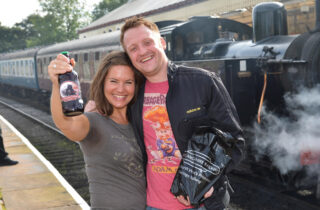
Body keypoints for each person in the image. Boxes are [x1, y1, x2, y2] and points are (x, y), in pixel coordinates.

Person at [120, 17, 245, 210]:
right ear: (129, 56)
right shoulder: (133, 94)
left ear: (162, 42)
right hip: (152, 205)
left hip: (202, 204)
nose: (142, 51)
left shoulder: (203, 82)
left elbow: (234, 141)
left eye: (147, 42)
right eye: (133, 48)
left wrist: (209, 181)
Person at [48, 51, 146, 209]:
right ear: (103, 83)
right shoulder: (93, 122)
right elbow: (66, 124)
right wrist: (56, 83)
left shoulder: (140, 122)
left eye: (128, 82)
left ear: (136, 86)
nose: (121, 89)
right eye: (114, 81)